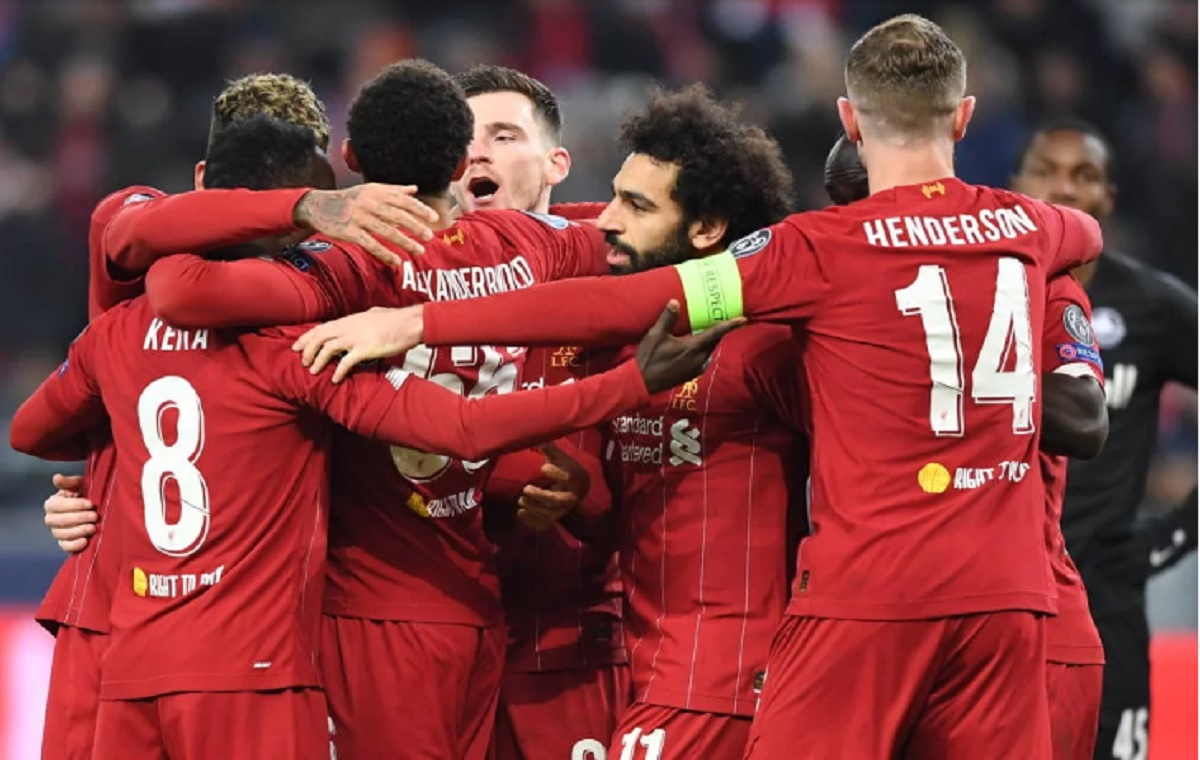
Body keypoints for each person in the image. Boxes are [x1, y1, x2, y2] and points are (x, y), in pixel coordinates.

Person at [294, 15, 1104, 758]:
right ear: (963, 117)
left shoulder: (812, 253)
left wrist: (416, 323)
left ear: (850, 120)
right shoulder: (1032, 227)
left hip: (864, 598)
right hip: (1007, 601)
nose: (609, 223)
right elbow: (1085, 235)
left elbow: (629, 302)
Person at [12, 112, 735, 760]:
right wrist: (635, 376)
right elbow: (462, 425)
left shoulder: (125, 328)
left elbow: (35, 425)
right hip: (279, 662)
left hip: (137, 653)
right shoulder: (302, 345)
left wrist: (110, 470)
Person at [135, 59, 617, 760]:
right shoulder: (527, 246)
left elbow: (181, 289)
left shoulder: (348, 264)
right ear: (460, 164)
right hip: (475, 601)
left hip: (373, 608)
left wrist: (301, 210)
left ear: (351, 160)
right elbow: (623, 237)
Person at [34, 72, 437, 760]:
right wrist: (305, 207)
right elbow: (140, 236)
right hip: (113, 611)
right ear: (202, 178)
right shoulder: (140, 226)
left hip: (261, 617)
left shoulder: (311, 275)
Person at [826, 131, 1110, 760]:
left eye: (873, 201)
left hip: (1029, 623)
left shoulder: (1035, 282)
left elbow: (1086, 421)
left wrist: (941, 361)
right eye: (847, 206)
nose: (867, 224)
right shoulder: (825, 304)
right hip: (881, 617)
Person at [452, 64, 630, 760]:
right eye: (464, 139)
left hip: (566, 645)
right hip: (435, 643)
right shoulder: (395, 281)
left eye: (503, 136)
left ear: (557, 163)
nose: (478, 153)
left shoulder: (620, 278)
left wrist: (586, 498)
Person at [1012, 119, 1198, 760]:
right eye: (1046, 170)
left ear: (1108, 198)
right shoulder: (981, 294)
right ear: (1014, 186)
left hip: (1106, 600)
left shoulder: (1151, 305)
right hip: (1001, 599)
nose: (1064, 187)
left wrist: (1172, 536)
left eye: (1084, 174)